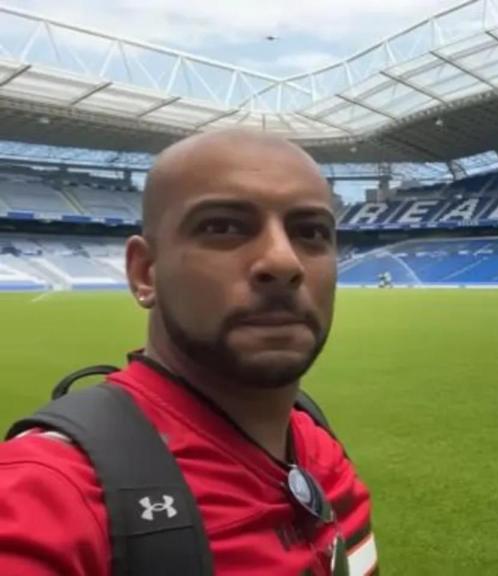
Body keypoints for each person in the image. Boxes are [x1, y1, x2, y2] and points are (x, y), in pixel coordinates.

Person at [0, 129, 376, 575]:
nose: (283, 262)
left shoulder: (318, 445)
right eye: (222, 227)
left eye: (311, 232)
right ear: (145, 272)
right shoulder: (51, 491)